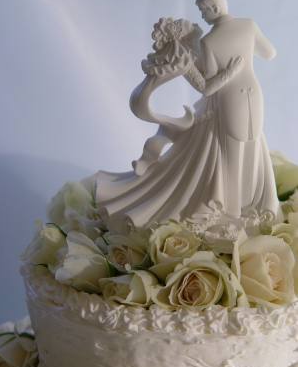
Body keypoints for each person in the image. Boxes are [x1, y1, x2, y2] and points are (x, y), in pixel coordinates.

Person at [95, 17, 252, 235]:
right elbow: (206, 88)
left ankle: (226, 203)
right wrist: (230, 73)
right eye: (189, 25)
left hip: (224, 109)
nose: (196, 24)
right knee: (208, 162)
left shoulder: (205, 47)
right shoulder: (186, 60)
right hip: (212, 112)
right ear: (184, 36)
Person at [196, 0, 279, 221]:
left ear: (215, 8)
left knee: (232, 152)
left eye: (203, 11)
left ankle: (232, 210)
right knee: (252, 146)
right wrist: (244, 48)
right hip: (254, 92)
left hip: (231, 99)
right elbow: (270, 53)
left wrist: (228, 73)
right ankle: (250, 205)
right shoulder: (249, 25)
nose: (202, 16)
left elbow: (208, 87)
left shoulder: (208, 41)